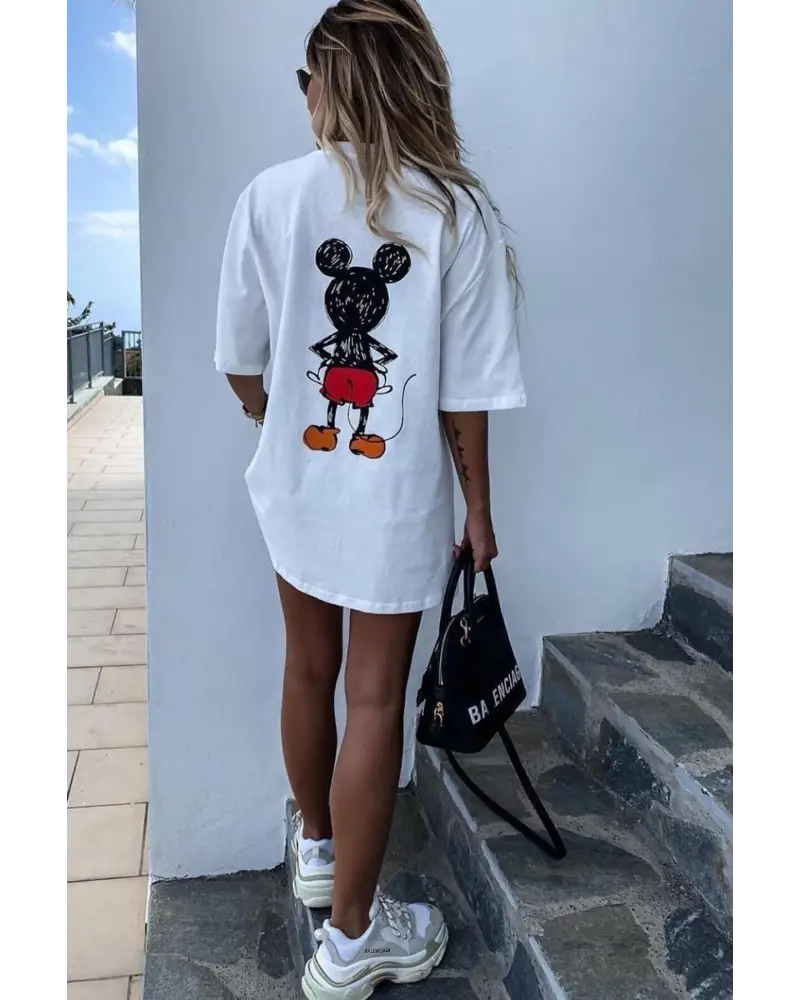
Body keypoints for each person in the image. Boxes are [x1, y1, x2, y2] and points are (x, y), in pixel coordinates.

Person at [215, 2, 525, 996]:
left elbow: (239, 362)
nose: (302, 97)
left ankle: (320, 848)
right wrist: (478, 513)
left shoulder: (268, 197)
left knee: (307, 668)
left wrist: (278, 420)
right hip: (393, 498)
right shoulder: (455, 212)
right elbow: (465, 393)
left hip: (295, 485)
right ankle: (350, 940)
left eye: (305, 79)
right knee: (374, 696)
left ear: (332, 80)